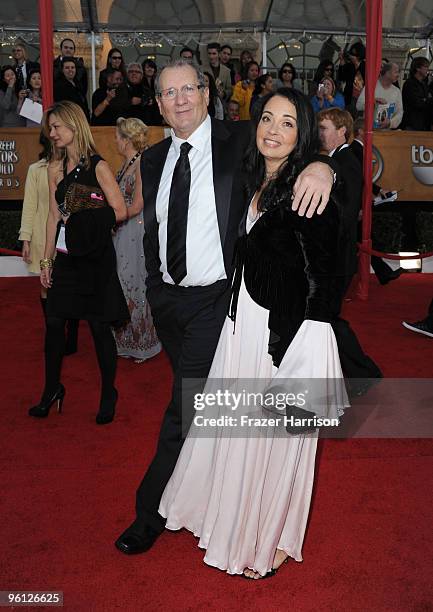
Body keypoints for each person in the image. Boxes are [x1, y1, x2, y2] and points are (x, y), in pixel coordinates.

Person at [113, 59, 338, 557]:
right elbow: (154, 229)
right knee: (214, 412)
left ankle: (149, 513)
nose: (180, 100)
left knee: (186, 406)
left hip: (219, 304)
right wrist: (155, 286)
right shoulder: (151, 160)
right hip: (169, 302)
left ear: (205, 90)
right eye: (168, 93)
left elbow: (301, 144)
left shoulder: (239, 138)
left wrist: (326, 167)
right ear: (158, 104)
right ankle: (221, 501)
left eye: (188, 89)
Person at [28, 101, 128, 424]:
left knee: (99, 328)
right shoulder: (54, 169)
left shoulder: (98, 167)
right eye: (50, 128)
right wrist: (46, 261)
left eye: (57, 127)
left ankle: (109, 392)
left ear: (74, 126)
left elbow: (120, 210)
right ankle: (51, 389)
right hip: (67, 260)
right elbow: (53, 218)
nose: (52, 133)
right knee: (54, 323)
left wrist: (85, 215)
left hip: (95, 259)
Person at [318, 107, 382, 381]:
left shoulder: (346, 162)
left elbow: (345, 213)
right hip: (334, 255)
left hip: (336, 257)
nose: (319, 133)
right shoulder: (335, 160)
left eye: (324, 128)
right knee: (324, 318)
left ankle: (364, 373)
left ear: (342, 131)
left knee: (327, 318)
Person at [19, 131, 79, 355]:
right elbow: (30, 205)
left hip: (69, 237)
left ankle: (71, 336)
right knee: (46, 286)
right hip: (42, 236)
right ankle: (54, 332)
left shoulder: (73, 166)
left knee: (71, 286)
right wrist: (25, 238)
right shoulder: (36, 169)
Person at [112, 117, 161, 362]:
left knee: (136, 284)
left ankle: (143, 343)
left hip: (135, 232)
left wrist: (112, 216)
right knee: (122, 282)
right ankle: (125, 340)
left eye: (118, 137)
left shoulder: (141, 163)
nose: (115, 141)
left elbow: (139, 204)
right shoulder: (125, 164)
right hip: (123, 231)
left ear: (127, 139)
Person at [356, 63, 403, 129]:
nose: (398, 75)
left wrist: (390, 122)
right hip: (368, 130)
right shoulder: (371, 87)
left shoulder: (396, 91)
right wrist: (373, 101)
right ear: (387, 72)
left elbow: (399, 112)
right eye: (396, 72)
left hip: (387, 132)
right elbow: (359, 105)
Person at [401, 57, 433, 131]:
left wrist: (426, 99)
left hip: (424, 124)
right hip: (412, 124)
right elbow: (417, 103)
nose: (427, 70)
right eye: (425, 67)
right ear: (418, 68)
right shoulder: (410, 84)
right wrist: (427, 100)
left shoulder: (424, 84)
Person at [337, 42, 365, 114]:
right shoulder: (349, 66)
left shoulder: (366, 66)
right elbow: (341, 77)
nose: (350, 56)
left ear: (358, 56)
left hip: (362, 98)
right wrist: (341, 60)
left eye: (352, 55)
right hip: (350, 98)